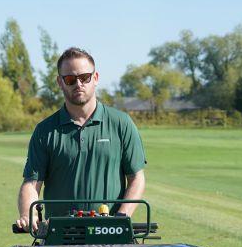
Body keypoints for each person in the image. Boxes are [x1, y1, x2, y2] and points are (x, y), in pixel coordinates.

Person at [16, 47, 146, 231]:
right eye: (70, 79)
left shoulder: (121, 123)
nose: (78, 84)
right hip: (59, 236)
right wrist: (28, 215)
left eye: (84, 77)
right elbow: (31, 183)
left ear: (96, 78)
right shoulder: (45, 130)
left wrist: (120, 218)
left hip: (111, 234)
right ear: (60, 82)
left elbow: (136, 178)